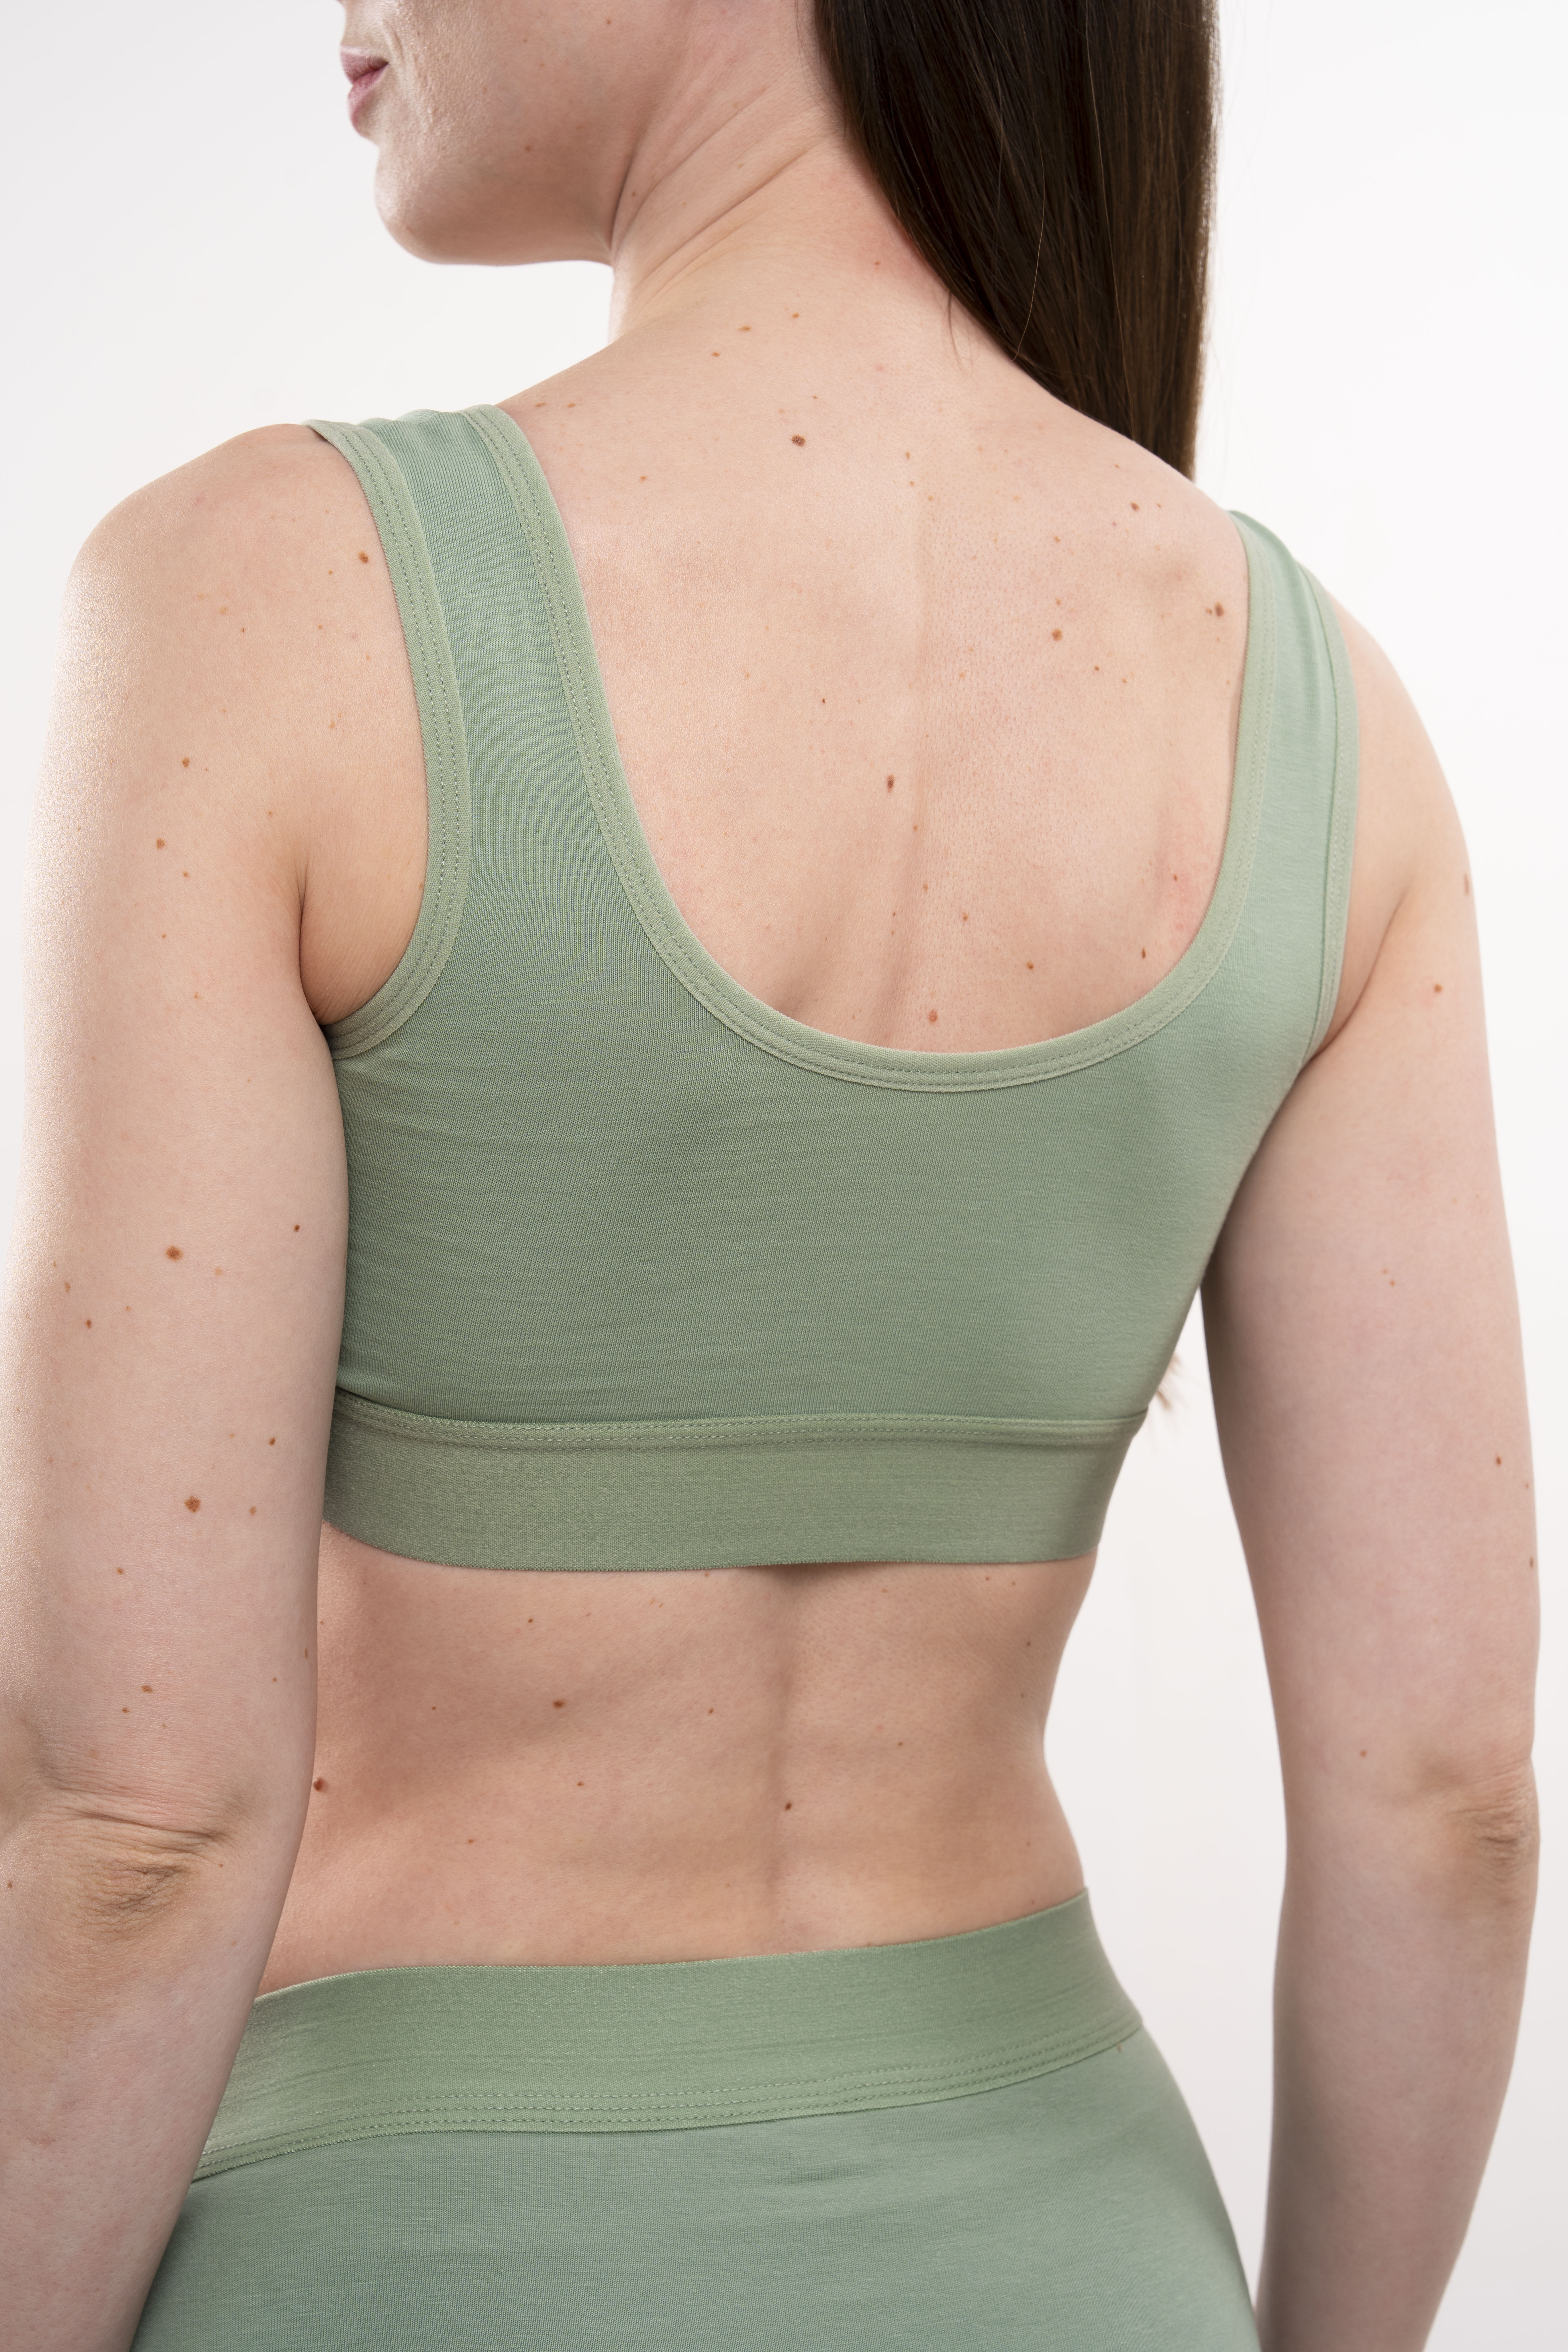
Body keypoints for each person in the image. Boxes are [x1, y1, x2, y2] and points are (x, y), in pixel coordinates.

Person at [0, 1, 1537, 2346]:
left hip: (412, 2258)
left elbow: (134, 1832)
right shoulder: (1323, 718)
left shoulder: (262, 605)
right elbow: (1447, 1802)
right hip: (1080, 2263)